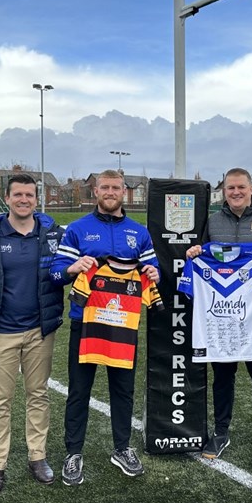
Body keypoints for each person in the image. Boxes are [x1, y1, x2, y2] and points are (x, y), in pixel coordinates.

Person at [49, 169, 160, 483]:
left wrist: (153, 274)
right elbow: (55, 273)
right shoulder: (78, 230)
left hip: (123, 325)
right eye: (104, 187)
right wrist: (74, 266)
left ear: (123, 192)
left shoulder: (139, 233)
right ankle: (73, 453)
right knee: (79, 391)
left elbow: (154, 273)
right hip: (84, 323)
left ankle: (122, 448)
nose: (110, 192)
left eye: (115, 187)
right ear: (95, 191)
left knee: (123, 391)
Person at [185, 168, 252, 479]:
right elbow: (199, 255)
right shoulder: (212, 221)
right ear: (224, 191)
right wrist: (194, 252)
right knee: (222, 379)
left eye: (241, 187)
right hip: (221, 317)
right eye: (230, 188)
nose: (235, 192)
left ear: (251, 189)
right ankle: (221, 433)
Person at [0, 173, 65, 496]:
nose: (24, 200)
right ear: (8, 198)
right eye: (18, 195)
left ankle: (37, 457)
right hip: (0, 331)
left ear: (36, 198)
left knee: (38, 395)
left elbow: (67, 269)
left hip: (40, 330)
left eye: (29, 195)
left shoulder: (52, 233)